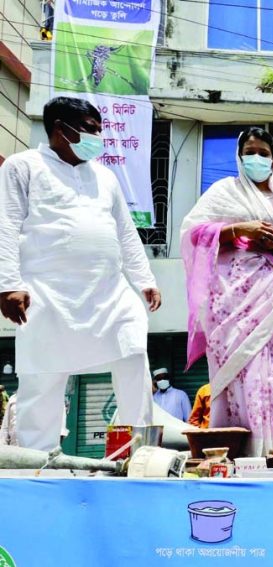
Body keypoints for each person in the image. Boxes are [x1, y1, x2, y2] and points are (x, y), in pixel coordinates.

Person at [0, 97, 159, 451]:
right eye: (91, 130)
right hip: (47, 294)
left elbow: (125, 233)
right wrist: (8, 284)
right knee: (43, 379)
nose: (98, 138)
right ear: (60, 129)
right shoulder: (22, 166)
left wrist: (144, 279)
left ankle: (141, 451)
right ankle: (36, 463)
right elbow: (6, 225)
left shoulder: (105, 177)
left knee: (133, 352)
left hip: (110, 293)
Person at [181, 126, 273, 456]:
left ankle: (272, 450)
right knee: (236, 370)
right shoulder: (224, 191)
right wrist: (239, 229)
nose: (256, 158)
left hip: (271, 295)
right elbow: (193, 233)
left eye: (263, 153)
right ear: (239, 157)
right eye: (249, 152)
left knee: (268, 371)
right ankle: (233, 448)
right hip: (229, 297)